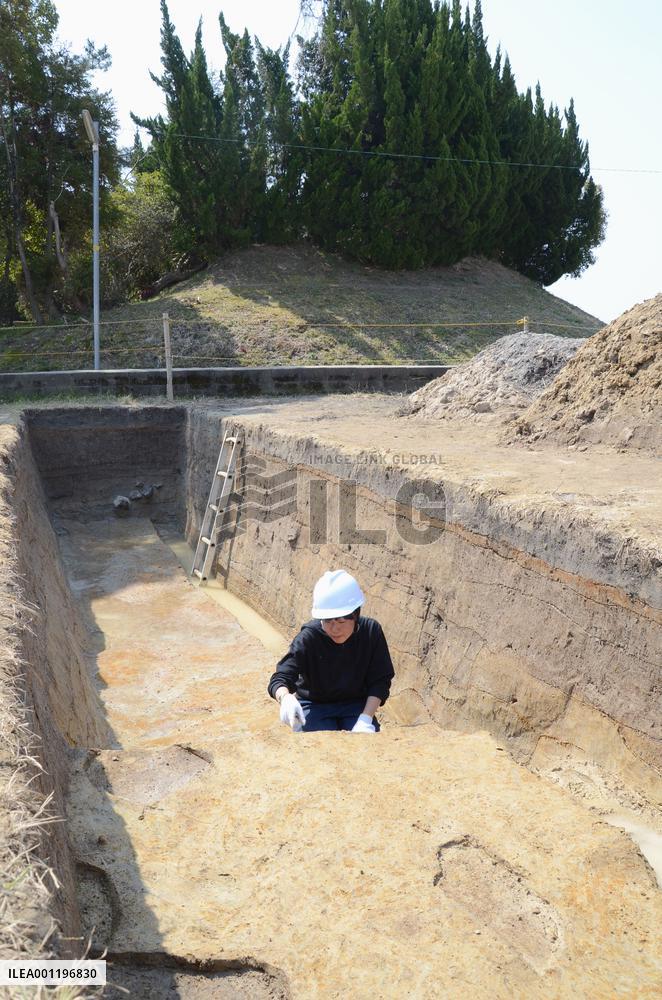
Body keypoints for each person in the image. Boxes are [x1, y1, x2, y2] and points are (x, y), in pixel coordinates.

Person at [268, 569, 394, 733]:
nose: (334, 629)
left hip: (355, 705)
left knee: (364, 747)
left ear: (355, 615)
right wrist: (285, 698)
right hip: (314, 704)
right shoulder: (309, 638)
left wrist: (366, 718)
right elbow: (281, 677)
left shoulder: (371, 632)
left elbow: (380, 680)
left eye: (341, 622)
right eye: (327, 622)